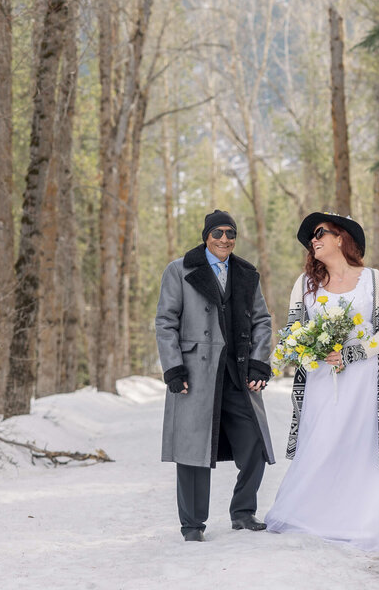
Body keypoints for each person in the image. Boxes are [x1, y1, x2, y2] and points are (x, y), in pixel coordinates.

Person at [265, 212, 379, 550]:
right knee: (322, 444)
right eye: (311, 238)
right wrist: (278, 360)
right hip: (320, 382)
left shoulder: (373, 280)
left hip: (367, 384)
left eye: (320, 233)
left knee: (363, 449)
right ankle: (314, 517)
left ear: (341, 238)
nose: (313, 240)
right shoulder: (305, 284)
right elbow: (293, 331)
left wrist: (354, 352)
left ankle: (362, 522)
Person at [154, 210, 275, 542]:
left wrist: (259, 362)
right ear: (206, 235)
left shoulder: (247, 272)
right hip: (195, 373)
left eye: (230, 233)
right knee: (193, 450)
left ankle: (243, 512)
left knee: (255, 442)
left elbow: (262, 321)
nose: (225, 239)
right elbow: (166, 322)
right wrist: (173, 367)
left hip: (237, 372)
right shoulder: (179, 271)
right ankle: (192, 525)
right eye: (218, 233)